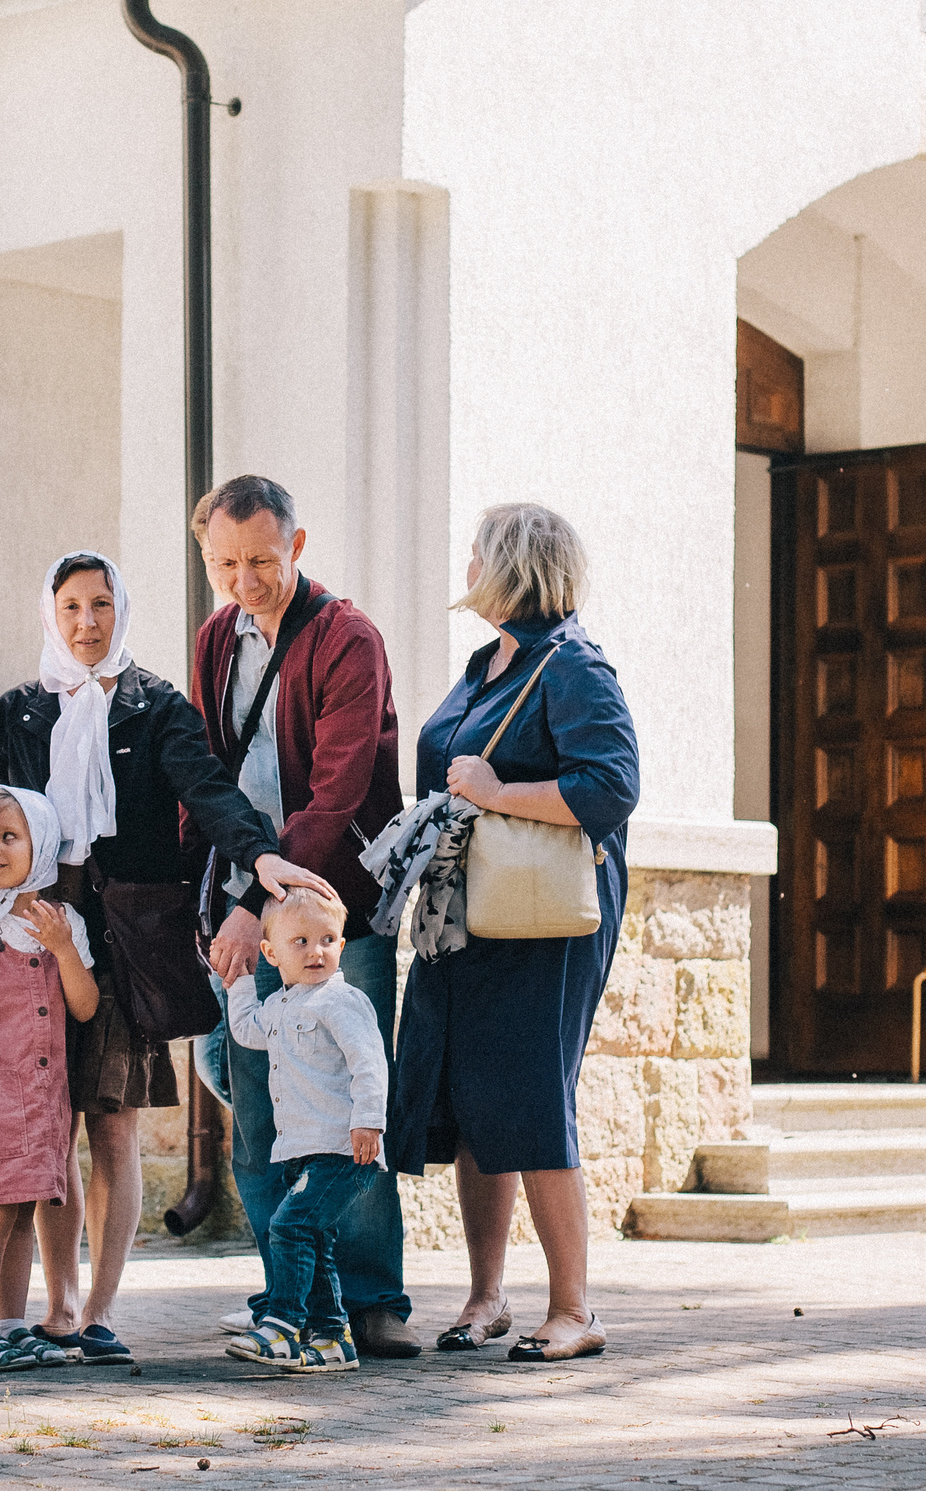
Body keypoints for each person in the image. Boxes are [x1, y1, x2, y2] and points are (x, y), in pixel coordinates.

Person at [0, 550, 334, 1364]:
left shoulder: (155, 705)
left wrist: (262, 855)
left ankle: (98, 1308)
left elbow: (208, 789)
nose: (86, 622)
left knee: (113, 1123)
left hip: (127, 941)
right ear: (50, 613)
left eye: (101, 603)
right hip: (37, 932)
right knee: (46, 1125)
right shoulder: (18, 712)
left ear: (120, 609)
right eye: (70, 606)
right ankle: (57, 1303)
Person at [393, 503, 640, 1363]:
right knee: (469, 1101)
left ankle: (574, 1308)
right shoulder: (489, 663)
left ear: (511, 564)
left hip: (547, 920)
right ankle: (486, 1296)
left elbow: (610, 787)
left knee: (533, 1095)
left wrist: (499, 791)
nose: (464, 565)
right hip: (466, 910)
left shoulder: (573, 667)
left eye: (476, 553)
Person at [192, 476, 416, 1357]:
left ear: (299, 545)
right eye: (225, 563)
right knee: (261, 1112)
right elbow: (207, 778)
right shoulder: (216, 638)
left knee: (350, 1109)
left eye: (262, 559)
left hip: (332, 916)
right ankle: (291, 1298)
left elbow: (338, 791)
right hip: (243, 909)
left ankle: (372, 1299)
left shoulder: (347, 638)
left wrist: (258, 904)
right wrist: (207, 899)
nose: (244, 579)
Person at [0, 786, 98, 1370]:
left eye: (9, 837)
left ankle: (9, 1322)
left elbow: (84, 1006)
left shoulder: (64, 922)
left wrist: (63, 949)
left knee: (26, 1206)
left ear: (42, 843)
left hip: (44, 1096)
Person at [220, 886, 384, 1376]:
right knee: (314, 1239)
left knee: (290, 1226)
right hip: (303, 1150)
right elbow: (249, 1031)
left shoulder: (342, 1001)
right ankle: (333, 1340)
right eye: (300, 942)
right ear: (271, 951)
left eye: (328, 939)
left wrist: (368, 1121)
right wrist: (240, 983)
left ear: (341, 944)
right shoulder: (283, 1004)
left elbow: (369, 1063)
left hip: (342, 1148)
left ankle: (282, 1324)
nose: (316, 951)